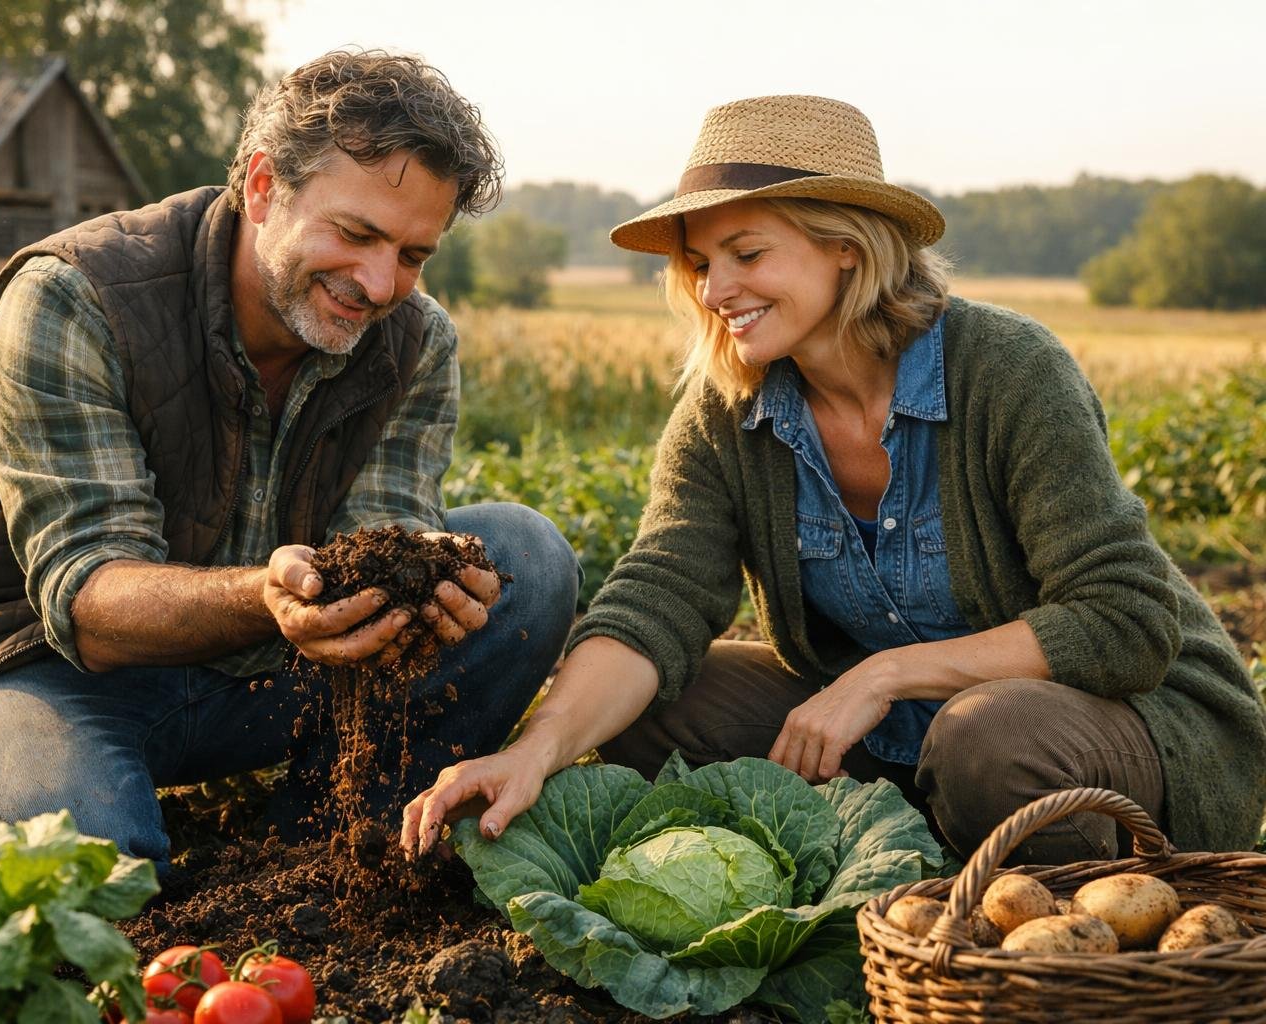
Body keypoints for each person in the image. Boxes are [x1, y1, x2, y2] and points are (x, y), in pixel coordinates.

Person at [402, 95, 1266, 866]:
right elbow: (657, 598)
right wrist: (541, 745)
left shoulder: (1006, 371)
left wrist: (883, 675)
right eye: (703, 263)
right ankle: (903, 864)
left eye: (746, 253)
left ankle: (1048, 912)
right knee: (653, 702)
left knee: (989, 744)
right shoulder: (725, 412)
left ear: (846, 249)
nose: (716, 289)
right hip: (898, 739)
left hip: (1120, 726)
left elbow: (1125, 622)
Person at [0, 50, 579, 872]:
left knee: (530, 559)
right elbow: (87, 597)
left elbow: (378, 535)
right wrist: (267, 598)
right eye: (356, 233)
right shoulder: (74, 296)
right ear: (265, 187)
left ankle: (330, 845)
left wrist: (423, 585)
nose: (380, 284)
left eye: (413, 255)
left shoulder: (414, 339)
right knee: (86, 869)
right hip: (31, 665)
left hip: (265, 672)